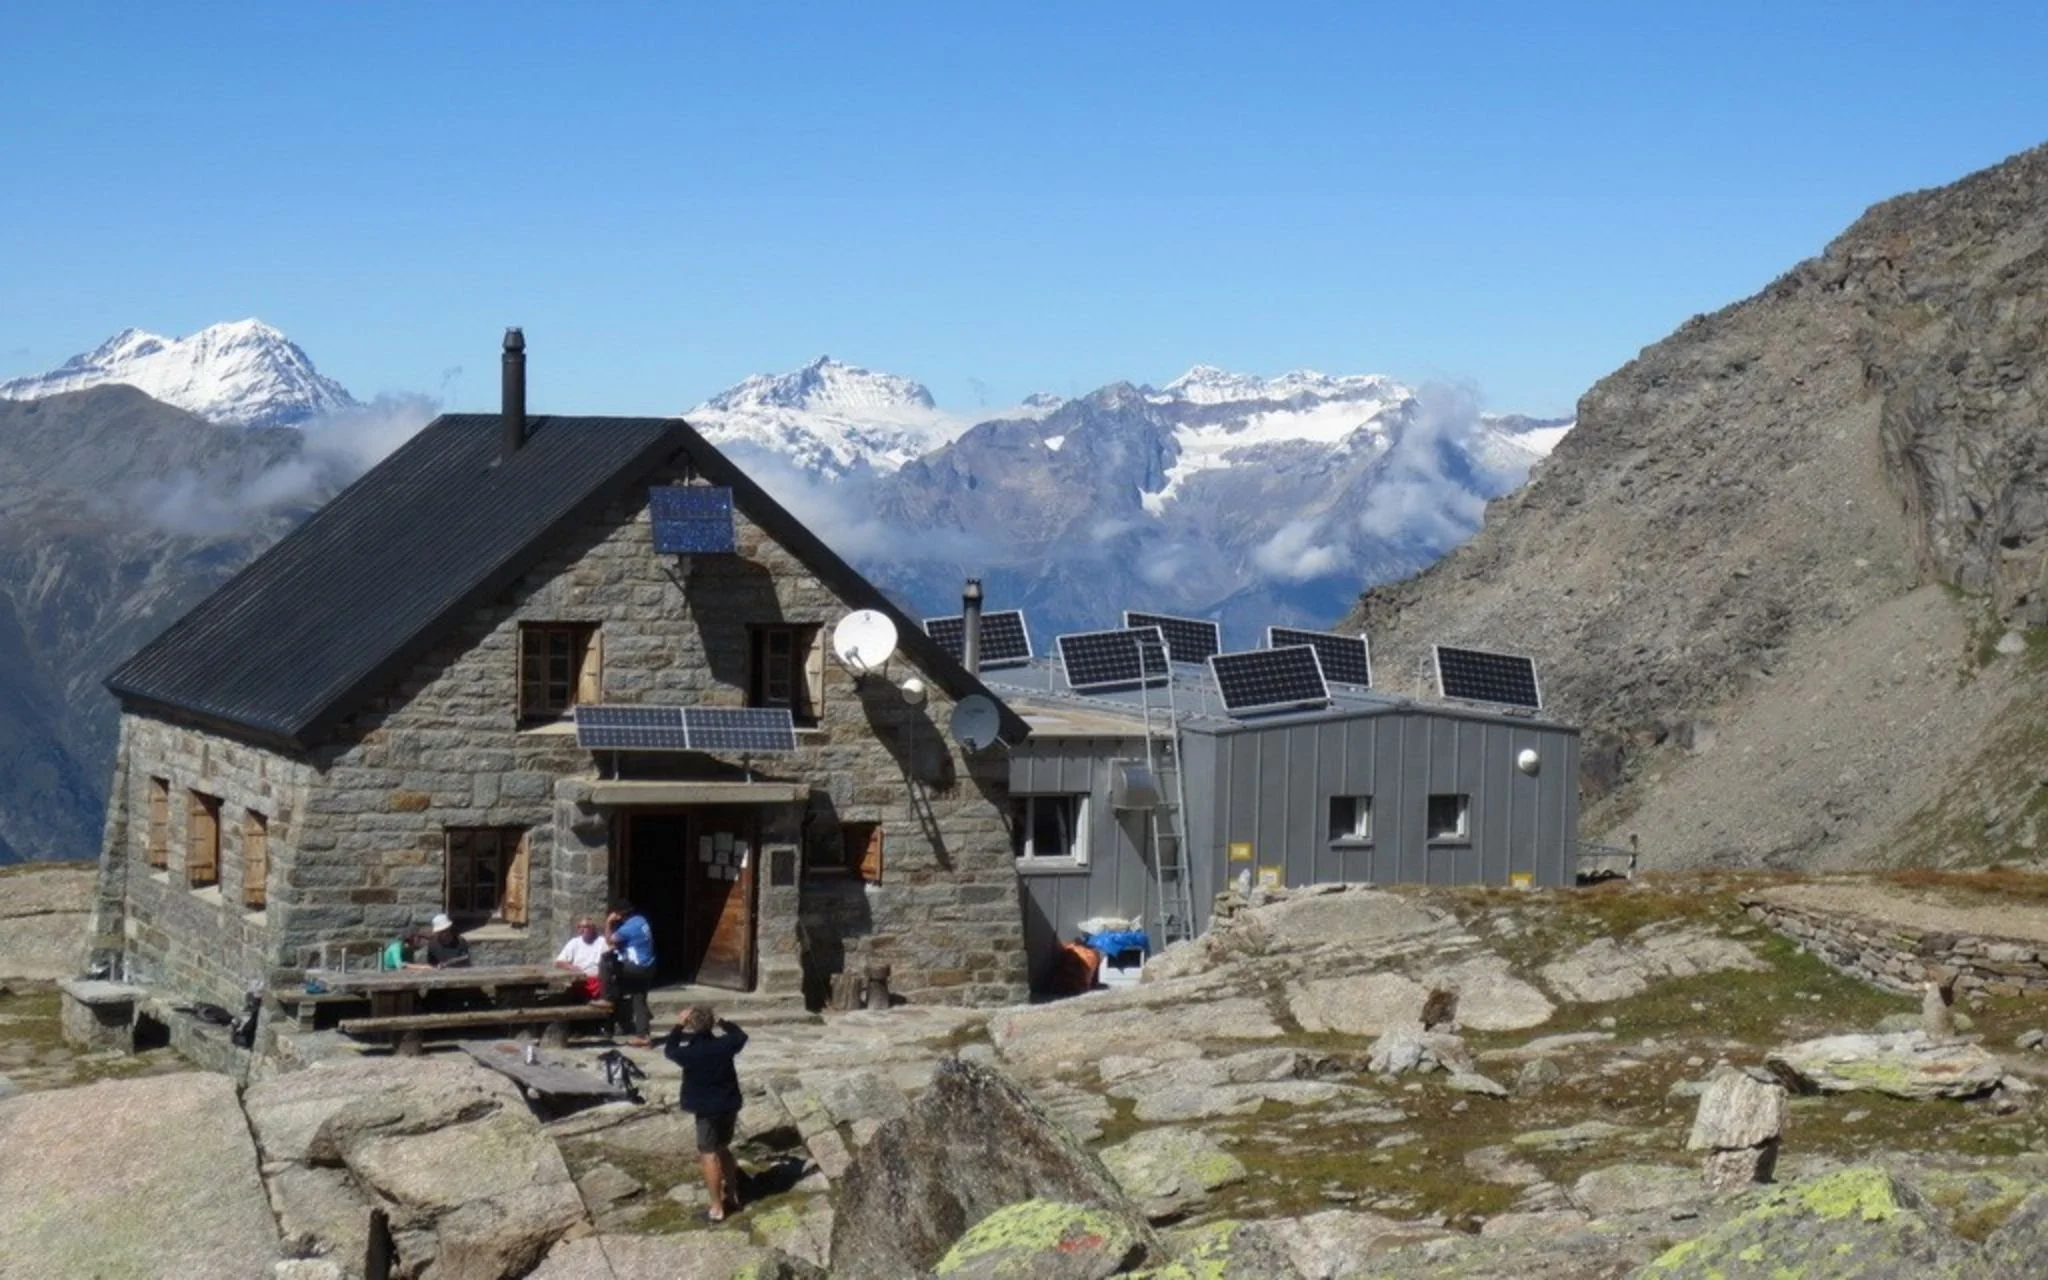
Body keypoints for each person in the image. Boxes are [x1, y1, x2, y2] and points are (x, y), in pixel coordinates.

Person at [663, 1005, 748, 1222]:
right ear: (712, 1023)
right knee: (723, 1147)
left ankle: (716, 1208)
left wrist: (678, 1025)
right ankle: (734, 1194)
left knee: (708, 1153)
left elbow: (669, 1049)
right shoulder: (725, 1045)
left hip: (706, 1110)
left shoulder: (688, 1053)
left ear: (691, 1025)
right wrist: (722, 1022)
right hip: (729, 1104)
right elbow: (740, 1035)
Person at [603, 900, 656, 1046]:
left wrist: (608, 922)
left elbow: (610, 941)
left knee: (606, 960)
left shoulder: (627, 929)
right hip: (649, 966)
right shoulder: (641, 920)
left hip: (636, 967)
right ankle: (643, 1036)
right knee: (639, 998)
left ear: (619, 915)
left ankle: (606, 996)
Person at [553, 915, 611, 1001]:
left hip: (598, 979)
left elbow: (609, 959)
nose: (582, 929)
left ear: (593, 928)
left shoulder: (602, 942)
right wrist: (571, 967)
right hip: (581, 979)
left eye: (586, 927)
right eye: (580, 927)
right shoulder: (574, 942)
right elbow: (558, 962)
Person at [405, 913, 471, 969]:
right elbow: (432, 965)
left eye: (445, 930)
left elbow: (465, 960)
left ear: (449, 928)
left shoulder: (460, 941)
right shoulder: (433, 944)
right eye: (441, 932)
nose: (444, 934)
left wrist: (449, 963)